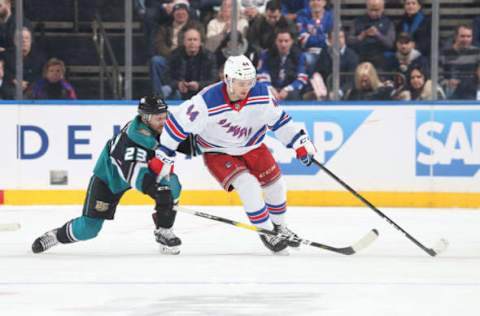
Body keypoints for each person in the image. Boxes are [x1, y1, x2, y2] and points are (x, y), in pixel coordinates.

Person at [149, 55, 317, 253]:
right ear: (228, 79)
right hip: (218, 152)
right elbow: (176, 125)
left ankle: (280, 227)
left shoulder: (262, 95)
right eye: (240, 83)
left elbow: (280, 121)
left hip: (253, 146)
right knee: (249, 186)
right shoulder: (206, 101)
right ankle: (267, 232)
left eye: (249, 82)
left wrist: (299, 141)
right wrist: (165, 152)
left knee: (277, 185)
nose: (245, 88)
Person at [31, 97, 187, 255]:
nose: (164, 121)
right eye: (158, 118)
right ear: (146, 118)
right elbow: (132, 172)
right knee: (89, 229)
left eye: (165, 116)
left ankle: (164, 231)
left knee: (172, 185)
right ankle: (56, 236)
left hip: (143, 170)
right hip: (110, 178)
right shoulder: (133, 137)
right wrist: (155, 190)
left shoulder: (165, 128)